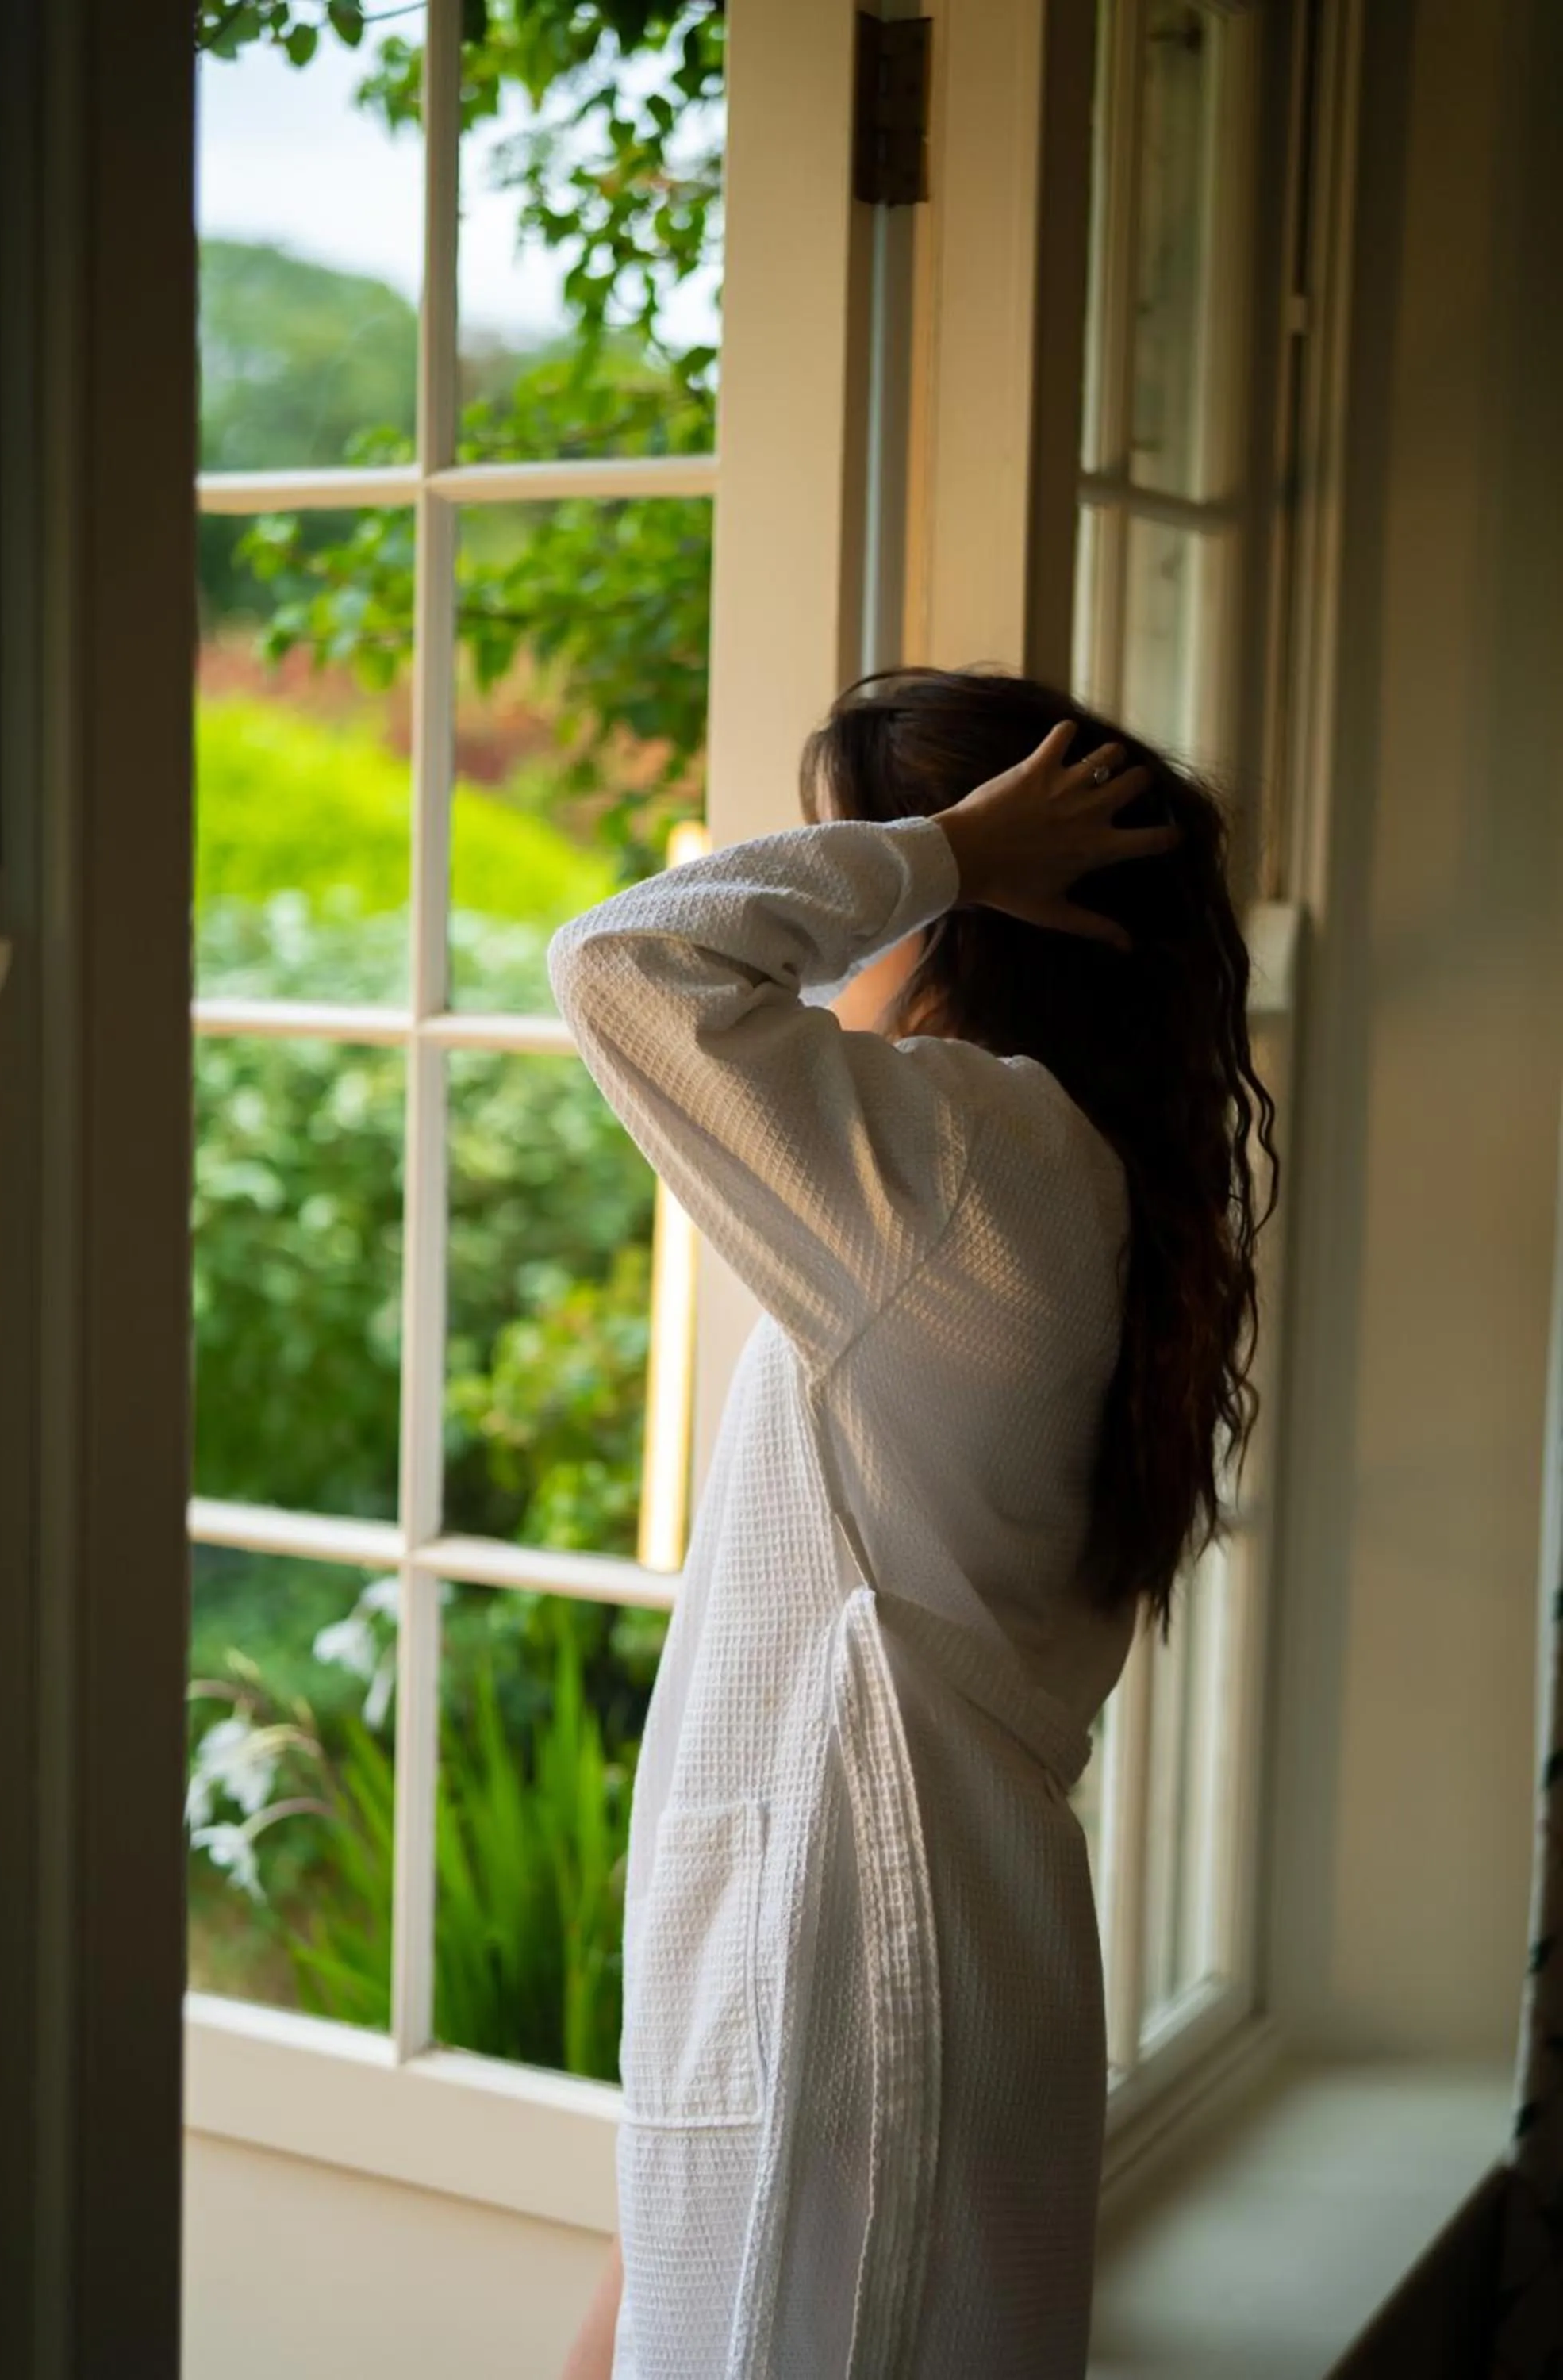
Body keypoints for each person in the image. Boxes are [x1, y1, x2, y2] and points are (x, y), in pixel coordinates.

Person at [552, 666, 1277, 2380]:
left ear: (979, 912)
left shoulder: (975, 1165)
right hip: (935, 1967)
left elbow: (619, 965)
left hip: (857, 1984)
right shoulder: (1091, 1174)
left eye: (875, 861)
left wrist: (938, 847)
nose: (847, 923)